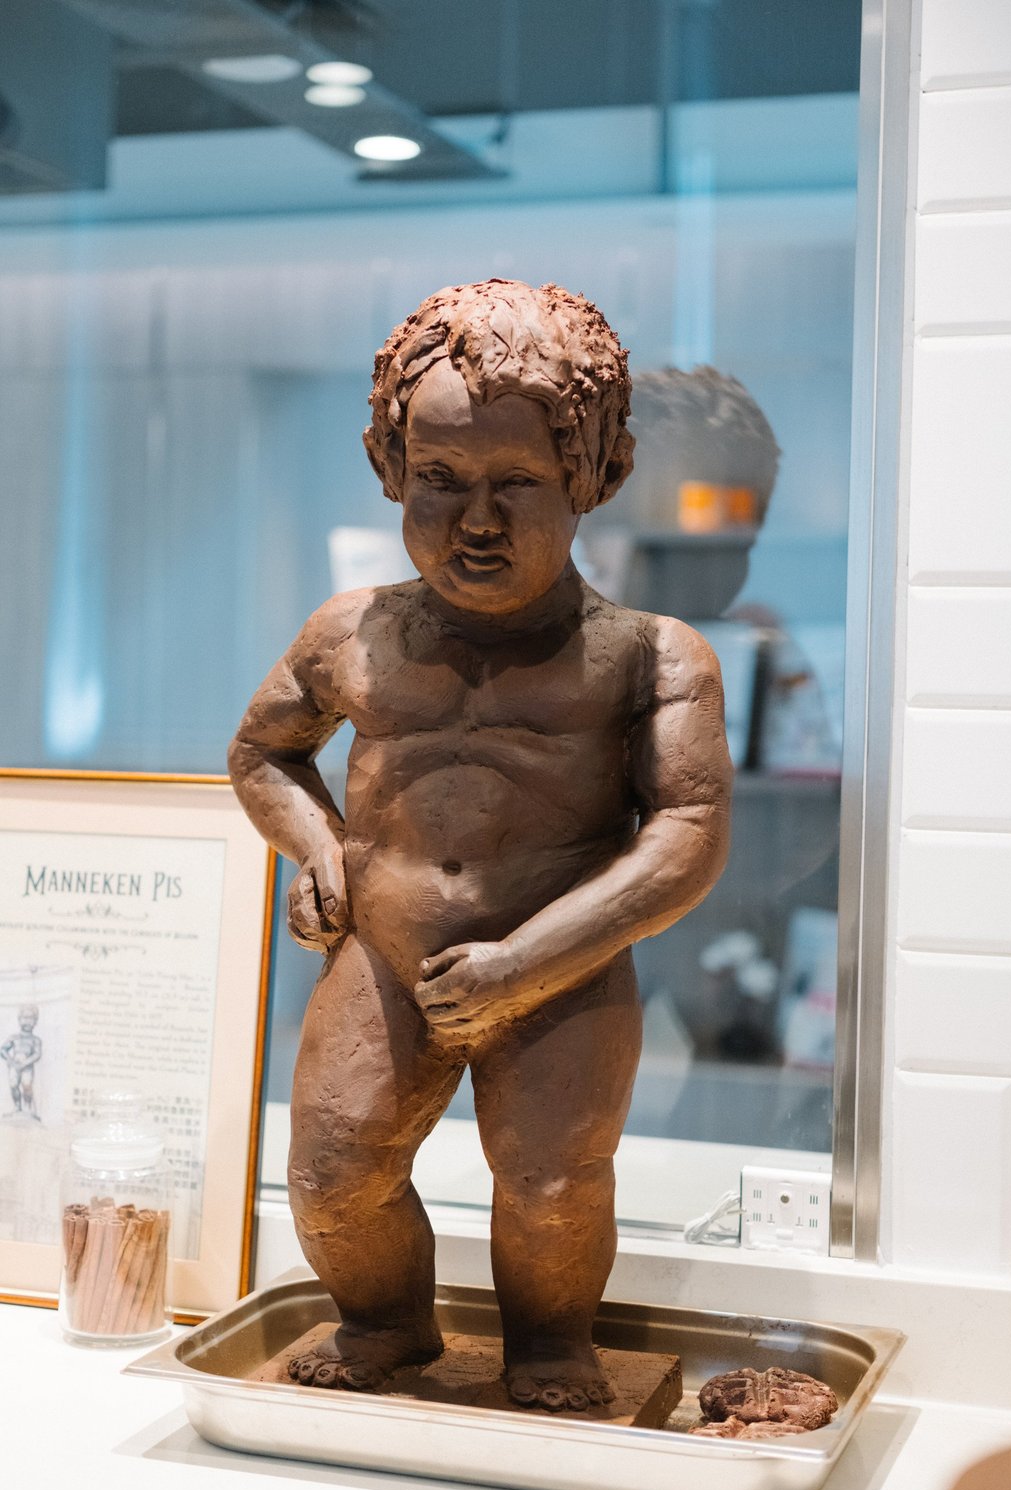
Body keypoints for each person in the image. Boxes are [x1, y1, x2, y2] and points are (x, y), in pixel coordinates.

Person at [229, 279, 731, 1412]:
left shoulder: (649, 655)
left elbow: (689, 836)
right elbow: (264, 753)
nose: (478, 521)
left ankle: (551, 1346)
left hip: (562, 972)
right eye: (441, 480)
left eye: (518, 484)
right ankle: (387, 1324)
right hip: (385, 953)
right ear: (391, 468)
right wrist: (315, 846)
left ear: (594, 476)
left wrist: (527, 962)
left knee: (552, 1182)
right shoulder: (351, 632)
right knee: (333, 1169)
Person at [2, 1003, 43, 1119]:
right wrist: (10, 1060)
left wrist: (25, 1063)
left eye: (31, 1018)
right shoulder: (14, 1037)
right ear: (19, 1020)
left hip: (27, 1067)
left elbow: (37, 1054)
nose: (27, 1021)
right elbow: (3, 1049)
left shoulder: (35, 1040)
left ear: (35, 1021)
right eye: (25, 1017)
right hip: (14, 1066)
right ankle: (17, 1106)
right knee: (13, 1085)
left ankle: (28, 1107)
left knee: (27, 1086)